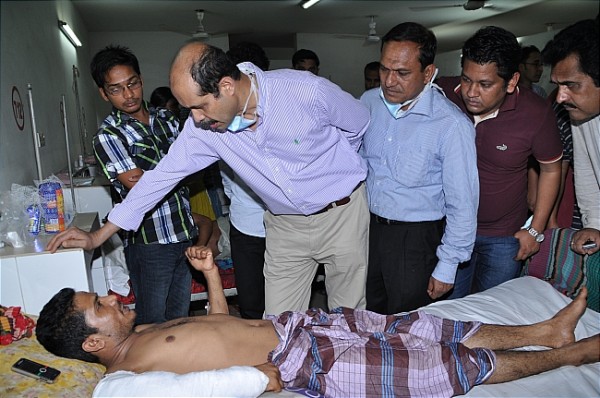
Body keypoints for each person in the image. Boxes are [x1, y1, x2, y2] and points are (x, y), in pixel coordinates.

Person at [47, 41, 370, 317]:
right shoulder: (203, 129)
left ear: (227, 86)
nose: (196, 118)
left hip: (342, 214)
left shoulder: (305, 90)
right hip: (285, 226)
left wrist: (334, 170)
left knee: (348, 316)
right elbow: (160, 179)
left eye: (200, 106)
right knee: (279, 324)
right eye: (190, 109)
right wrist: (99, 236)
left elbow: (358, 123)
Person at [36, 246, 600, 398]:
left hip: (299, 324)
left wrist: (210, 277)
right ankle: (569, 355)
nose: (113, 299)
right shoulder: (124, 381)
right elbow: (209, 383)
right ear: (92, 341)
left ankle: (542, 332)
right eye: (101, 306)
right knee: (437, 369)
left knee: (421, 326)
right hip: (301, 363)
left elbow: (222, 329)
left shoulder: (145, 333)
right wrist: (261, 380)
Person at [360, 22, 478, 314]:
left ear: (428, 73)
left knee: (408, 324)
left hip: (415, 241)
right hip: (368, 229)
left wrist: (447, 265)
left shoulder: (450, 125)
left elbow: (462, 203)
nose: (388, 81)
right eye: (384, 69)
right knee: (369, 314)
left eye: (402, 73)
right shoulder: (368, 102)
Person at [437, 27, 563, 298]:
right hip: (452, 232)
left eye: (484, 84)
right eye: (467, 79)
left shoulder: (536, 113)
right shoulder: (444, 93)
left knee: (492, 312)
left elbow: (551, 169)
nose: (471, 92)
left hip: (504, 237)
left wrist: (535, 229)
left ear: (511, 81)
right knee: (447, 313)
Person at [89, 45, 197, 325]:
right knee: (152, 322)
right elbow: (136, 184)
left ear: (141, 80)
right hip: (149, 242)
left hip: (183, 231)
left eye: (132, 84)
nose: (128, 95)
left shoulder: (166, 118)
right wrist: (178, 168)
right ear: (103, 93)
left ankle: (178, 369)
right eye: (116, 89)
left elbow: (193, 164)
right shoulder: (108, 135)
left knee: (180, 318)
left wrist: (173, 170)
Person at [542, 18, 600, 256]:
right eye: (557, 85)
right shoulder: (582, 112)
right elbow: (586, 169)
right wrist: (594, 223)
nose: (560, 97)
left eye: (571, 85)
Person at [223, 41, 270, 319]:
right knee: (252, 305)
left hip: (285, 228)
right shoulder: (222, 122)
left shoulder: (280, 116)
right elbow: (226, 176)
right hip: (245, 226)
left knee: (285, 304)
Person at [150, 86, 220, 254]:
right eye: (173, 107)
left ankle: (204, 255)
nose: (174, 111)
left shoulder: (175, 125)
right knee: (206, 225)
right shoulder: (167, 128)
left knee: (207, 224)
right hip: (188, 184)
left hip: (192, 182)